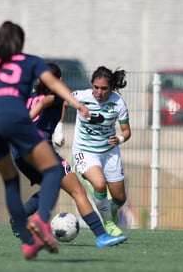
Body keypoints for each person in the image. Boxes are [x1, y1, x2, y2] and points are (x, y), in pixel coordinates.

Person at [0, 20, 89, 260]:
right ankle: (40, 219)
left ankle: (28, 241)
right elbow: (53, 83)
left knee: (10, 180)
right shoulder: (29, 61)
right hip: (13, 117)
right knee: (53, 171)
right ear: (21, 41)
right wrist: (76, 103)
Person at [10, 63, 127, 247]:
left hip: (18, 151)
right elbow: (44, 104)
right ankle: (102, 235)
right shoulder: (55, 93)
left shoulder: (31, 92)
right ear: (60, 81)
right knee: (77, 190)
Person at [70, 66, 131, 237]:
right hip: (84, 151)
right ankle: (108, 223)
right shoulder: (81, 97)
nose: (99, 92)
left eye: (104, 88)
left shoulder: (118, 103)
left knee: (120, 198)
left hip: (109, 152)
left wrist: (119, 139)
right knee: (99, 184)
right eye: (96, 87)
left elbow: (126, 131)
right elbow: (64, 102)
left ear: (111, 88)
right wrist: (59, 128)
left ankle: (109, 212)